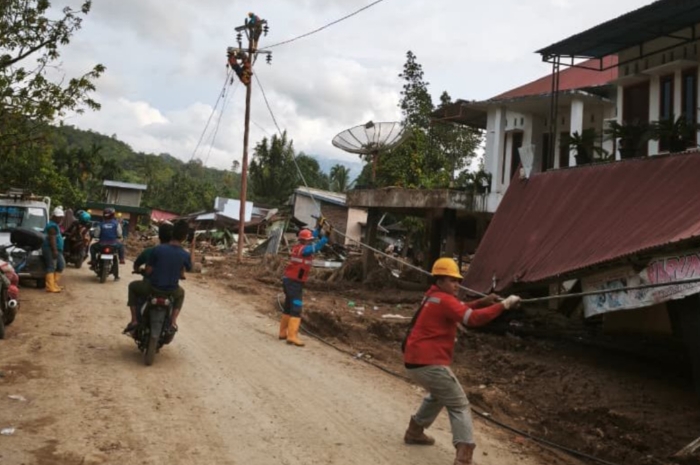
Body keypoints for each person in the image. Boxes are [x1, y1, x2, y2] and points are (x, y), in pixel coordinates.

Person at [402, 257, 521, 465]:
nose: (457, 284)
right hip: (429, 362)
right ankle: (464, 456)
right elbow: (472, 319)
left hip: (414, 360)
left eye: (458, 280)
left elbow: (458, 308)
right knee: (459, 404)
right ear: (440, 281)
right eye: (452, 280)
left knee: (439, 395)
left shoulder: (432, 296)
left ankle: (415, 431)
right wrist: (503, 305)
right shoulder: (445, 300)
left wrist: (481, 302)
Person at [124, 220, 191, 335]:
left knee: (132, 286)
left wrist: (143, 272)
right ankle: (173, 321)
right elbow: (188, 269)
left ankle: (134, 320)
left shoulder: (157, 250)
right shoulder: (184, 254)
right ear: (185, 237)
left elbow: (148, 271)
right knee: (181, 294)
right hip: (171, 291)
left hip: (153, 288)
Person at [279, 220, 330, 347]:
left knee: (288, 306)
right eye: (309, 240)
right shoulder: (305, 250)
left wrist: (319, 227)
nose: (311, 241)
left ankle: (283, 333)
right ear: (305, 241)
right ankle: (292, 336)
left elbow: (312, 236)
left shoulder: (298, 247)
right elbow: (317, 247)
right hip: (295, 283)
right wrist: (326, 237)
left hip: (288, 280)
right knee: (296, 308)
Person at [42, 207, 66, 293]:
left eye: (61, 217)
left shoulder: (55, 225)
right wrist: (54, 250)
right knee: (51, 266)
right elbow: (52, 239)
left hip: (55, 249)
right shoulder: (52, 226)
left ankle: (54, 284)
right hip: (50, 248)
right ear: (54, 217)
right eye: (59, 217)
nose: (60, 219)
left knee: (60, 265)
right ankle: (50, 287)